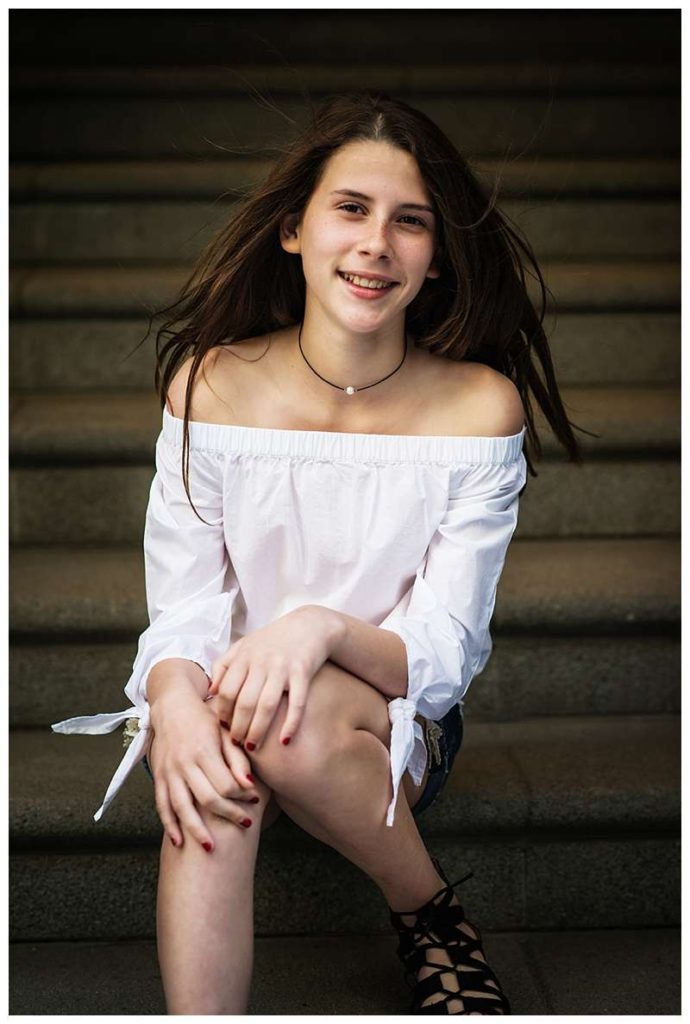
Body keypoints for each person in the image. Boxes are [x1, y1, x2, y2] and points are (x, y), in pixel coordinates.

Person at [52, 91, 582, 1015]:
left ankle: (426, 909)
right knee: (222, 746)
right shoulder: (211, 385)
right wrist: (173, 703)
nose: (377, 243)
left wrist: (315, 631)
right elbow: (182, 607)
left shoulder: (479, 408)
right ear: (294, 230)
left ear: (436, 255)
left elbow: (444, 652)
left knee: (286, 724)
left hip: (392, 720)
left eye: (410, 222)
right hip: (227, 698)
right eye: (351, 208)